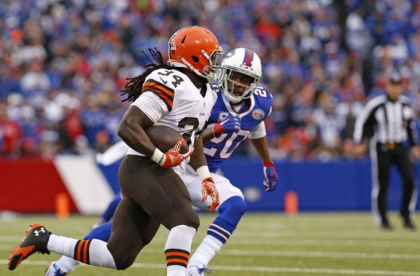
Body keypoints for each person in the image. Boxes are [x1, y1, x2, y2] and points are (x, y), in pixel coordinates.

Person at [8, 26, 222, 276]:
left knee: (118, 255)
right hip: (144, 167)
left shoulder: (208, 93)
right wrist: (160, 156)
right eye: (212, 57)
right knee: (185, 221)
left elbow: (192, 140)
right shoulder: (172, 81)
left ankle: (44, 239)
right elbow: (128, 126)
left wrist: (205, 176)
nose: (215, 64)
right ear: (193, 57)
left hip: (160, 171)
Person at [44, 48, 278, 276]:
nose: (238, 84)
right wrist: (215, 129)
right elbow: (187, 138)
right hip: (173, 165)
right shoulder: (207, 93)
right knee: (132, 228)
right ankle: (64, 263)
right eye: (234, 76)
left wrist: (267, 161)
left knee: (235, 204)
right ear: (223, 73)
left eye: (245, 79)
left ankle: (195, 266)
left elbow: (255, 124)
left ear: (255, 83)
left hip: (202, 171)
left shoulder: (261, 104)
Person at [354, 71, 419, 230]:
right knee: (382, 184)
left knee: (410, 180)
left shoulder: (406, 105)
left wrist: (415, 145)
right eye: (392, 85)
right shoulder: (376, 104)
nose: (395, 89)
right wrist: (360, 142)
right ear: (387, 86)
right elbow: (364, 123)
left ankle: (406, 215)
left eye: (398, 86)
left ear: (401, 87)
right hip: (381, 146)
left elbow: (411, 128)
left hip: (400, 146)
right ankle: (382, 218)